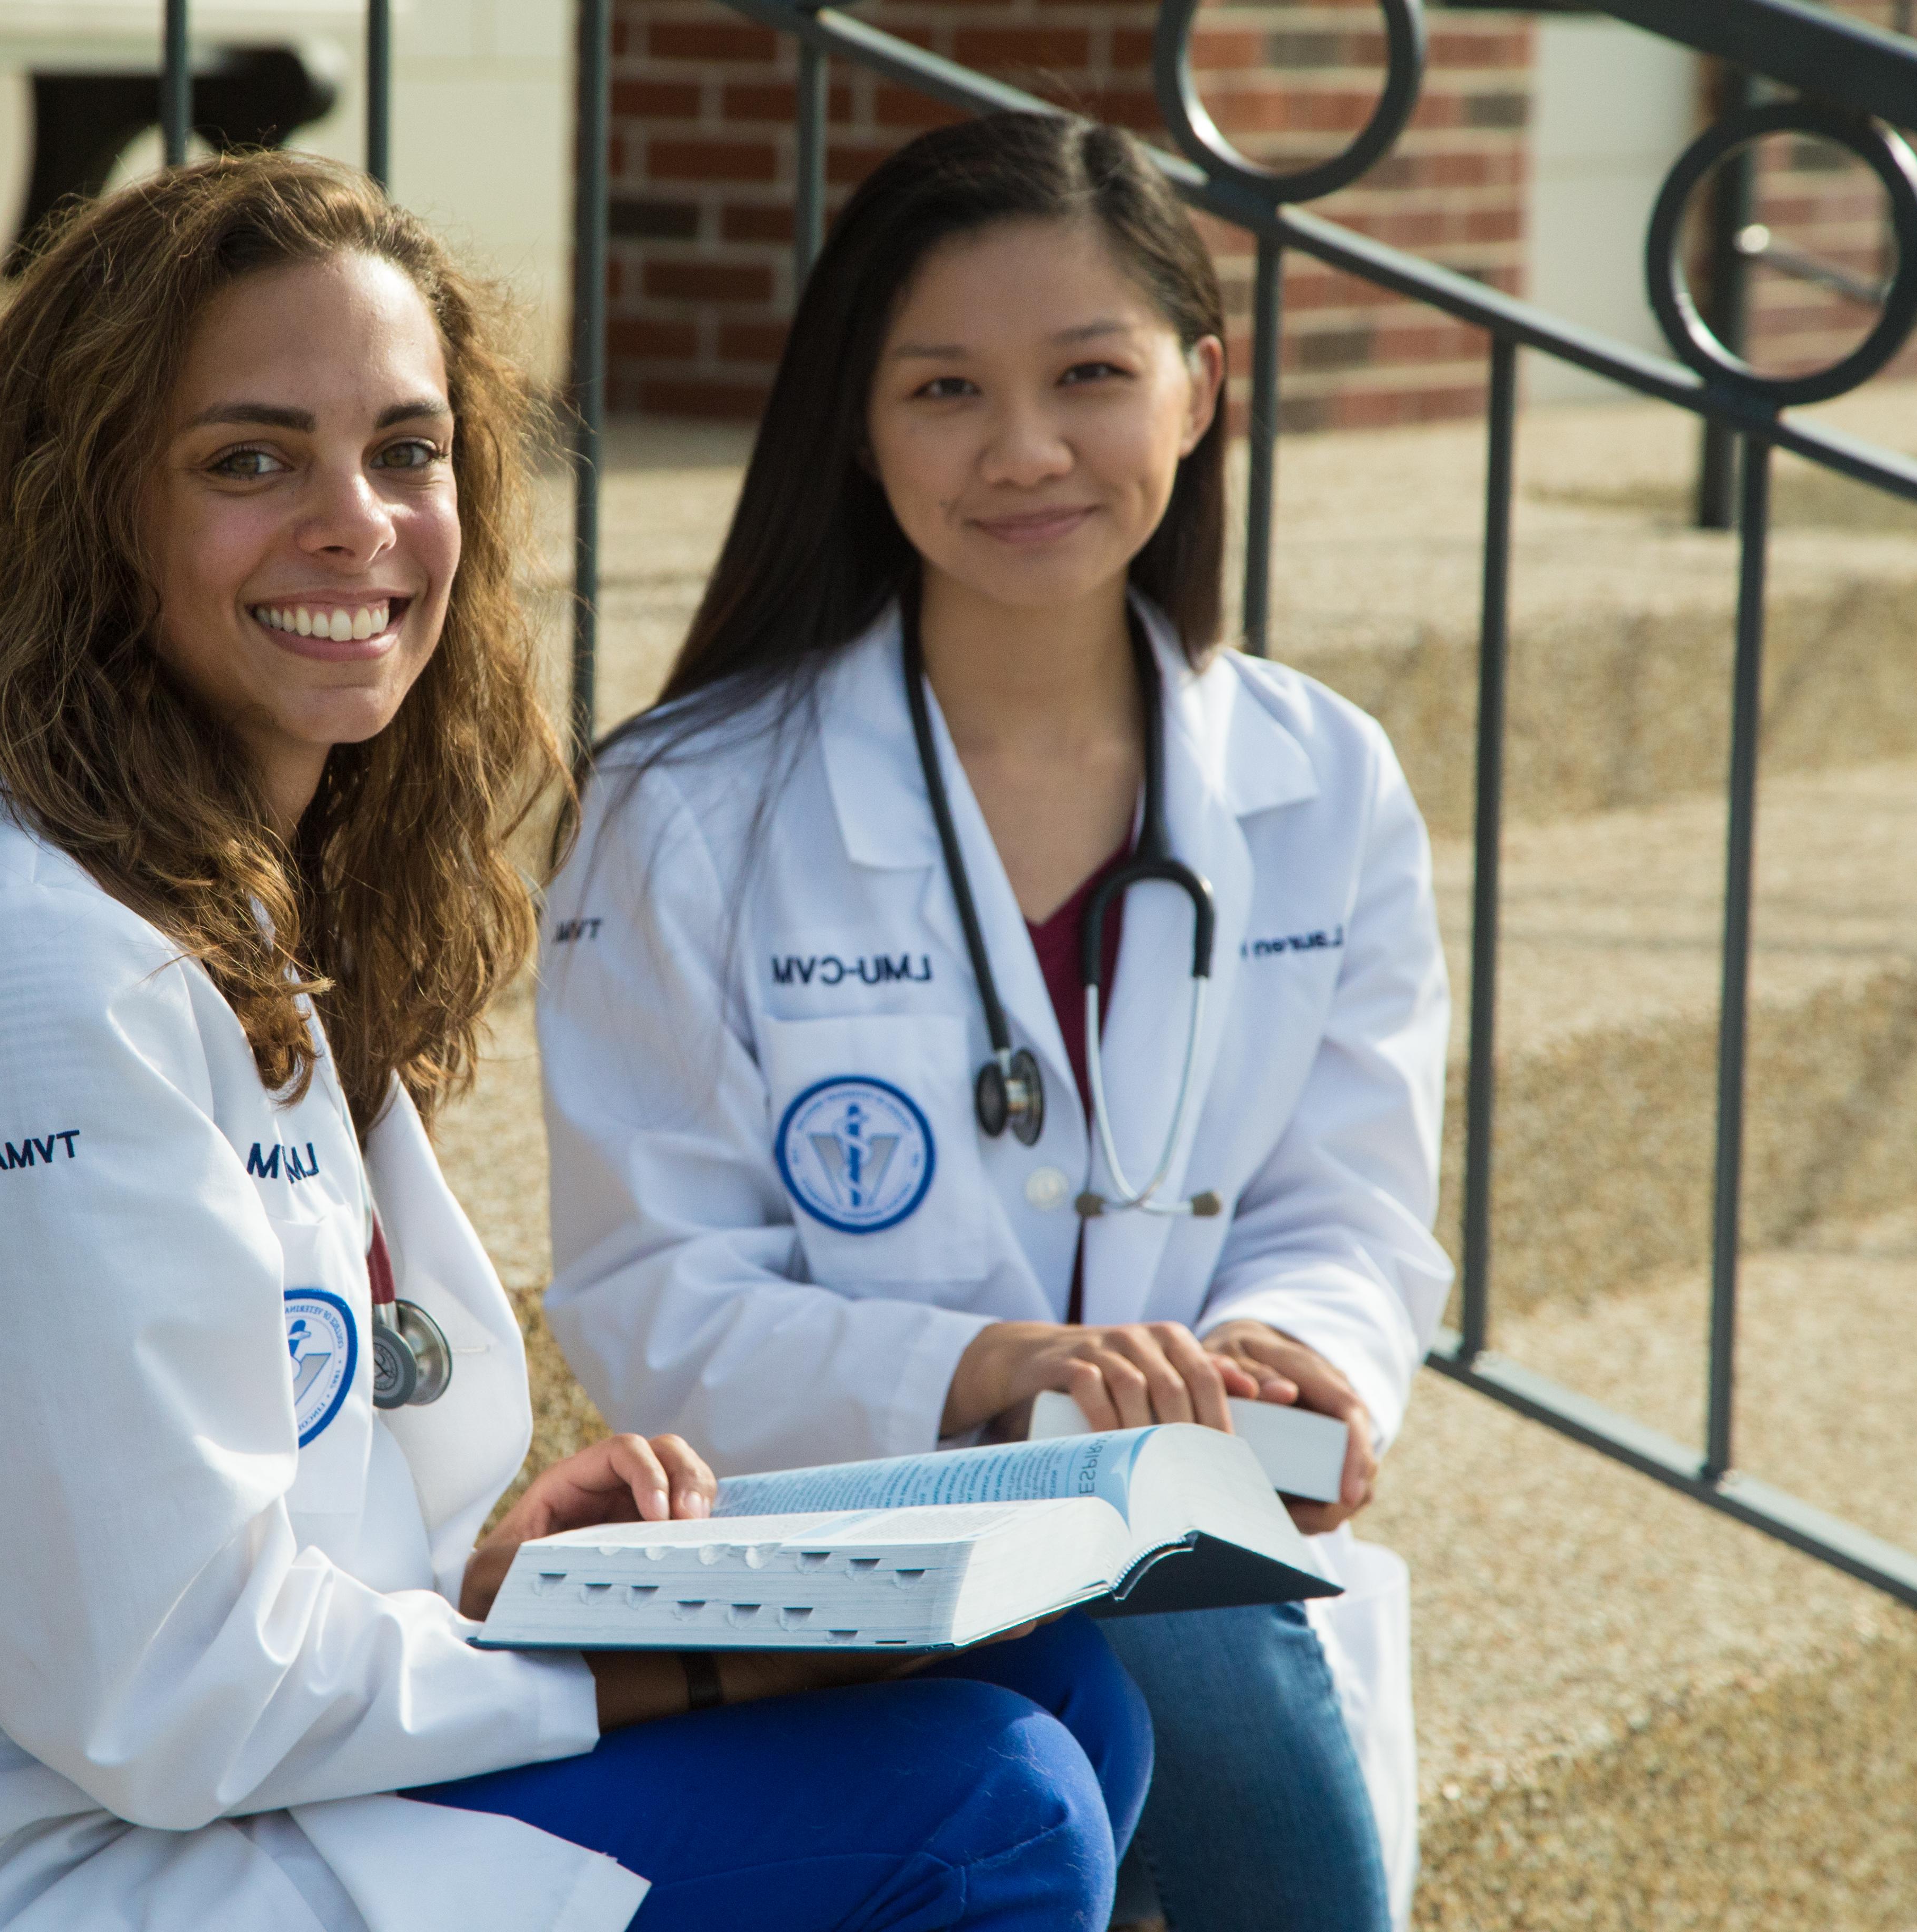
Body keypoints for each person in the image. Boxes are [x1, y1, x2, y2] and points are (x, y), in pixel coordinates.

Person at [0, 151, 1153, 1932]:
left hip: (216, 1805)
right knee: (984, 1806)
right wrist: (697, 1673)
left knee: (1070, 1694)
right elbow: (169, 1690)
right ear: (85, 508)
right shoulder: (10, 971)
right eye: (249, 458)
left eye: (407, 451)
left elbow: (270, 1526)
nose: (356, 522)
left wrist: (502, 1587)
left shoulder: (232, 894)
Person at [537, 114, 1449, 1932]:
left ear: (1200, 390)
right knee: (1162, 1583)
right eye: (945, 388)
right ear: (858, 429)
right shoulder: (687, 805)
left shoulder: (1320, 779)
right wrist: (992, 1375)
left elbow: (1350, 1206)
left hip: (1213, 1542)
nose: (1025, 451)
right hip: (859, 1551)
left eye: (1090, 377)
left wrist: (1286, 1357)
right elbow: (654, 1298)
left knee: (1185, 1553)